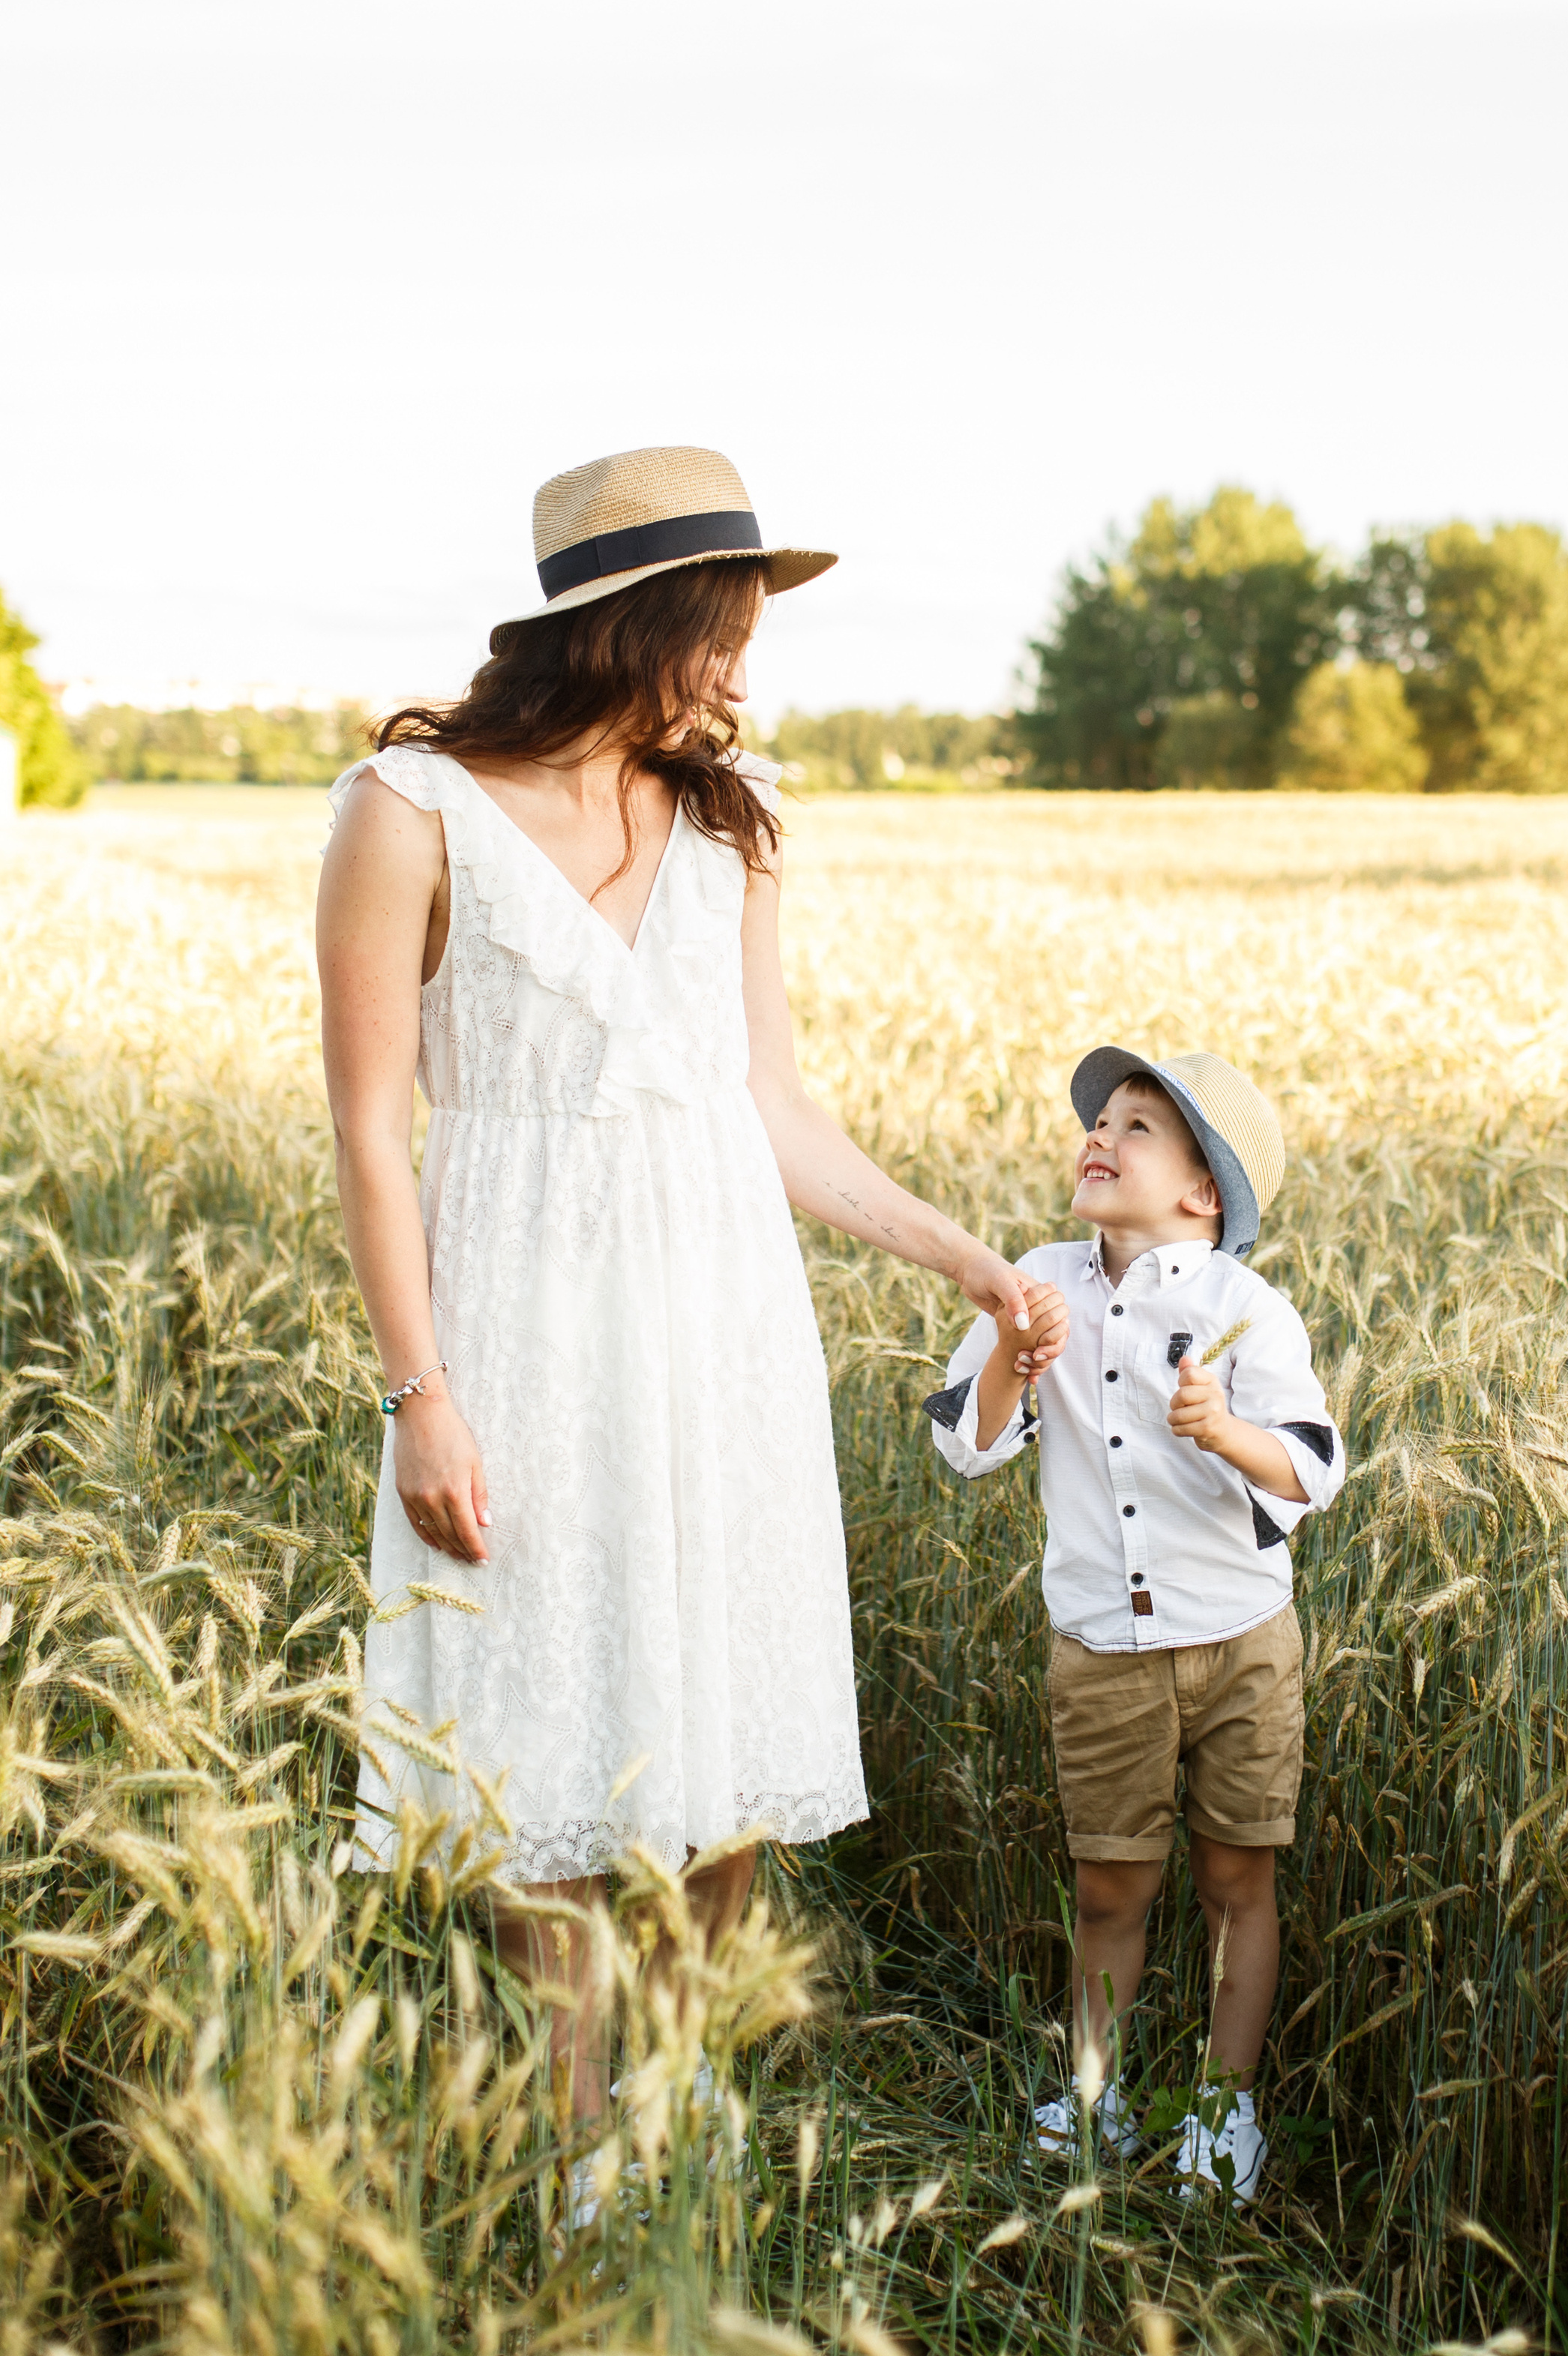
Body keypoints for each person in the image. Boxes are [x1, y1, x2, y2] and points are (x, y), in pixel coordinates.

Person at [316, 446, 1055, 2214]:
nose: (736, 671)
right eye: (714, 632)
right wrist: (421, 1393)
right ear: (623, 622)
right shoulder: (406, 811)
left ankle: (671, 2088)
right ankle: (578, 2138)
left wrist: (959, 1257)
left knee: (728, 1709)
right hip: (517, 1316)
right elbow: (368, 1131)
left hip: (722, 1313)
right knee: (540, 1719)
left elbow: (769, 1107)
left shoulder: (734, 823)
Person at [925, 1047, 1345, 2205]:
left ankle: (1222, 2108)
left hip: (1242, 1641)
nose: (1099, 1136)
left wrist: (1224, 1431)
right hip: (1103, 1648)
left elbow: (1314, 1467)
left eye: (1138, 1126)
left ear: (1205, 1191)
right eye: (1099, 1121)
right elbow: (967, 1445)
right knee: (1110, 1886)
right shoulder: (1036, 1282)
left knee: (1236, 1879)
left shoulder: (1243, 1308)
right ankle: (1094, 2094)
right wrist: (1015, 1356)